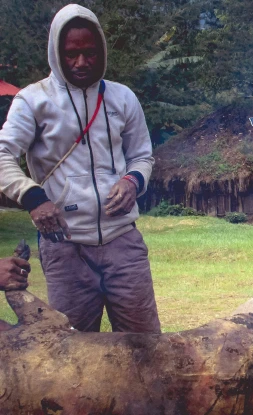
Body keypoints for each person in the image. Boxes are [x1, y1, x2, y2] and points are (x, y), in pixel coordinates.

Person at [0, 4, 160, 333]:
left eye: (90, 52)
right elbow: (2, 155)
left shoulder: (123, 98)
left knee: (146, 350)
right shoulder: (33, 101)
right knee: (71, 355)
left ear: (101, 48)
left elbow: (143, 155)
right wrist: (33, 198)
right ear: (56, 53)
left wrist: (132, 181)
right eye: (72, 54)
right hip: (66, 249)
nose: (82, 62)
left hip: (123, 245)